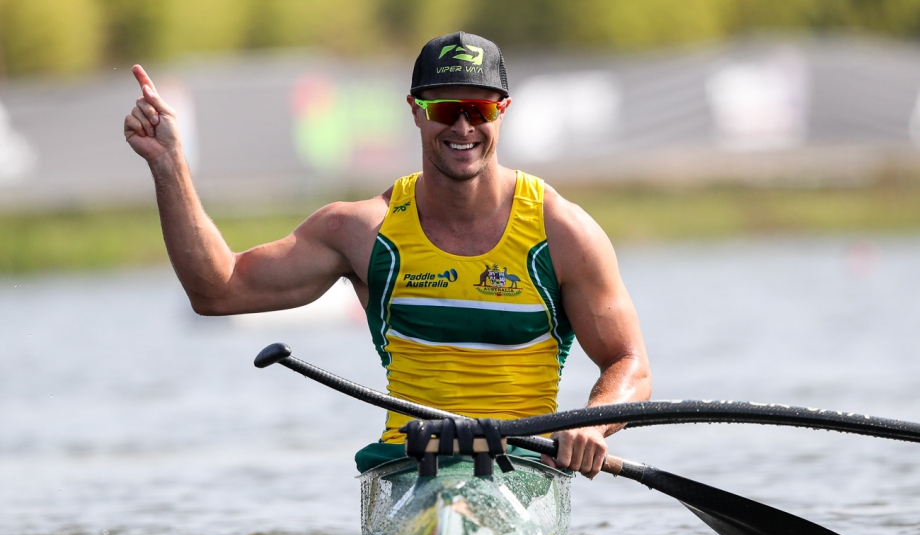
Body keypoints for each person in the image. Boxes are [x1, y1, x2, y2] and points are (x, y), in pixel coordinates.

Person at [124, 32, 651, 479]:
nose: (462, 126)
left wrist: (590, 422)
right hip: (408, 468)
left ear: (502, 111)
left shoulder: (562, 233)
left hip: (523, 468)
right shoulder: (361, 231)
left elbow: (630, 363)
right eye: (445, 108)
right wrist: (169, 163)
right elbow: (217, 290)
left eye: (479, 108)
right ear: (417, 112)